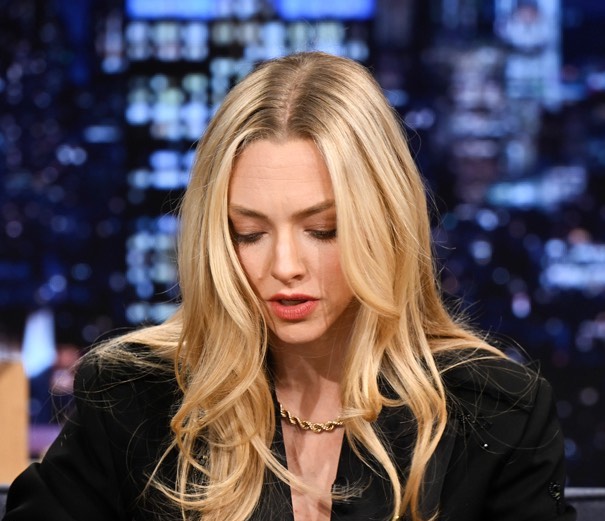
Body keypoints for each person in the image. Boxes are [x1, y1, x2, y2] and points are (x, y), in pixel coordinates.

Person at [3, 52, 576, 521]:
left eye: (323, 230)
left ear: (385, 224)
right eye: (249, 234)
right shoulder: (133, 397)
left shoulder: (496, 414)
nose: (285, 266)